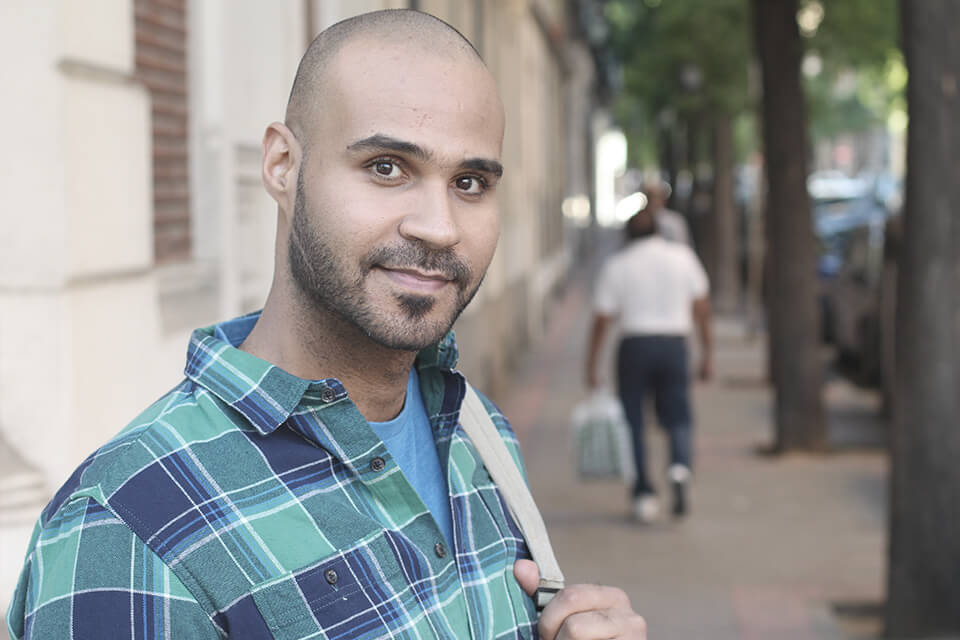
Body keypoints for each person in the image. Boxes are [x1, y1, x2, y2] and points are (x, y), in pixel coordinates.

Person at [6, 9, 647, 640]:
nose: (440, 225)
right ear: (283, 165)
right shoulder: (129, 533)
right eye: (387, 167)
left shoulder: (482, 436)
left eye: (470, 181)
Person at [585, 206, 712, 523]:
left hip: (634, 346)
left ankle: (644, 493)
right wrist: (707, 352)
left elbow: (602, 318)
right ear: (659, 229)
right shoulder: (683, 258)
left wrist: (592, 364)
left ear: (627, 235)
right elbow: (702, 306)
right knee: (679, 415)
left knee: (634, 421)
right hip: (675, 345)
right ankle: (680, 468)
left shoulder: (618, 265)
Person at [644, 179, 692, 246]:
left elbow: (682, 246)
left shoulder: (675, 221)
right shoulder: (641, 221)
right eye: (651, 197)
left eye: (656, 197)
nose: (654, 201)